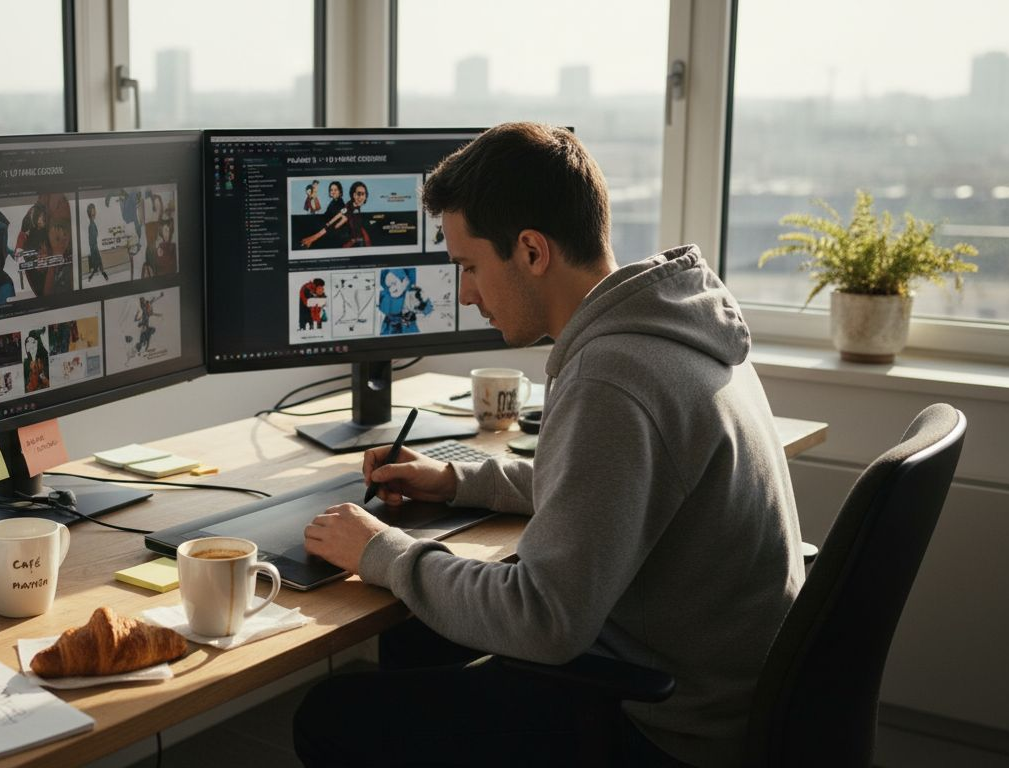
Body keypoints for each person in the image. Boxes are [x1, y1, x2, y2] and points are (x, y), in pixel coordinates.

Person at [293, 123, 803, 767]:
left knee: (331, 716)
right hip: (724, 693)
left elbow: (544, 619)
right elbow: (612, 490)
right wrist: (457, 481)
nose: (465, 293)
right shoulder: (674, 328)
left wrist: (385, 552)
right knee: (423, 638)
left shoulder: (612, 376)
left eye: (470, 267)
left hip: (666, 727)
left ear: (532, 251)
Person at [376, 267, 432, 335]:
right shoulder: (387, 297)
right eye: (389, 286)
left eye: (394, 283)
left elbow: (426, 307)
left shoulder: (411, 295)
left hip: (406, 329)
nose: (391, 288)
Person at [298, 181, 346, 248]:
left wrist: (322, 228)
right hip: (327, 225)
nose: (333, 191)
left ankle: (310, 240)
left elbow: (335, 222)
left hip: (333, 229)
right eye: (331, 190)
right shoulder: (333, 201)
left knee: (318, 231)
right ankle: (309, 241)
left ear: (340, 191)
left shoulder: (340, 203)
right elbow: (327, 214)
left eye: (335, 190)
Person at [86, 203, 109, 282]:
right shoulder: (91, 225)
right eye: (93, 210)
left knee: (97, 264)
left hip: (94, 247)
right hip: (94, 247)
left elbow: (92, 239)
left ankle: (93, 275)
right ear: (90, 213)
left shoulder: (92, 224)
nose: (95, 212)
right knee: (98, 262)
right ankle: (101, 274)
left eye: (95, 210)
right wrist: (94, 249)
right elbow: (91, 241)